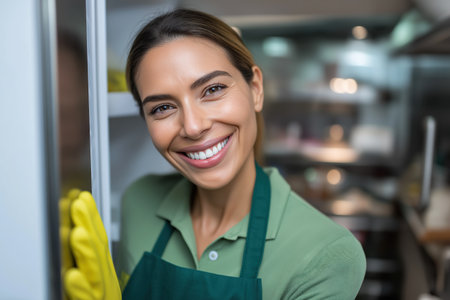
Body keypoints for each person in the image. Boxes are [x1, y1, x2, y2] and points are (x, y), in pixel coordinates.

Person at [65, 8, 366, 300]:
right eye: (162, 108)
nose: (193, 127)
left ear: (256, 89)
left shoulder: (327, 253)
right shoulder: (140, 203)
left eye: (212, 89)